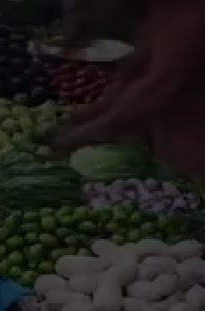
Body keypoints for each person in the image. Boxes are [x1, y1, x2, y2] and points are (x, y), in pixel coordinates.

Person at [51, 0, 205, 180]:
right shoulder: (159, 10)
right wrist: (91, 114)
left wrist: (89, 132)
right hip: (173, 162)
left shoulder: (190, 8)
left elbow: (160, 85)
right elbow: (136, 71)